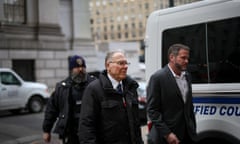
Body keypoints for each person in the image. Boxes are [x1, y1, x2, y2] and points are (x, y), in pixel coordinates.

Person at [78, 50, 144, 144]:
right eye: (121, 63)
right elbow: (86, 127)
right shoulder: (94, 90)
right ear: (108, 66)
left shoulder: (130, 88)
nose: (125, 67)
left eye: (126, 63)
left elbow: (136, 125)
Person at [147, 44, 197, 144]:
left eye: (187, 58)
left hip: (188, 135)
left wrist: (192, 127)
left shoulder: (187, 76)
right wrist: (167, 134)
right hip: (167, 137)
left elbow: (188, 106)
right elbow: (152, 110)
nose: (186, 61)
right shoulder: (158, 78)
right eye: (183, 58)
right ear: (172, 57)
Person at [42, 55, 96, 144]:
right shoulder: (62, 87)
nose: (80, 69)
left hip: (91, 132)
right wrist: (46, 130)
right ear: (71, 69)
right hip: (70, 133)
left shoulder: (94, 84)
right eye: (77, 67)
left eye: (83, 67)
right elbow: (51, 110)